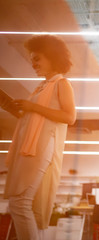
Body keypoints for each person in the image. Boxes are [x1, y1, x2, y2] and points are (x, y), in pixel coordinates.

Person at [1, 35, 76, 240]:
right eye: (32, 59)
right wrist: (22, 110)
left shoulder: (61, 83)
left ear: (52, 57)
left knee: (19, 202)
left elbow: (70, 117)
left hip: (41, 147)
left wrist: (32, 107)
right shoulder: (42, 86)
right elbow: (39, 117)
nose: (33, 64)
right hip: (32, 146)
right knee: (28, 205)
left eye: (37, 59)